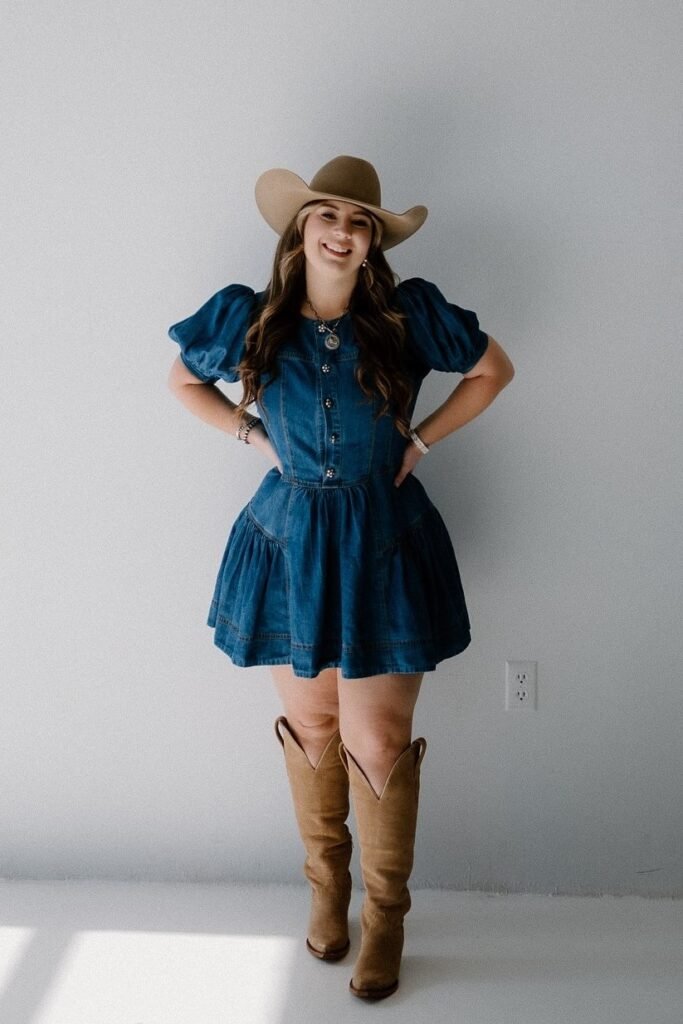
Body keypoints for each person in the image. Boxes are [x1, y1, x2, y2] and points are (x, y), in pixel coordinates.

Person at [167, 155, 515, 1000]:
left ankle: (385, 918)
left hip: (384, 542)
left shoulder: (404, 317)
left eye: (359, 223)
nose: (342, 231)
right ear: (300, 230)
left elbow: (491, 369)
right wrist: (252, 438)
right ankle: (325, 895)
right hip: (286, 543)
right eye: (327, 215)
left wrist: (421, 441)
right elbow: (182, 379)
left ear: (370, 244)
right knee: (316, 728)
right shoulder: (251, 320)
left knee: (379, 741)